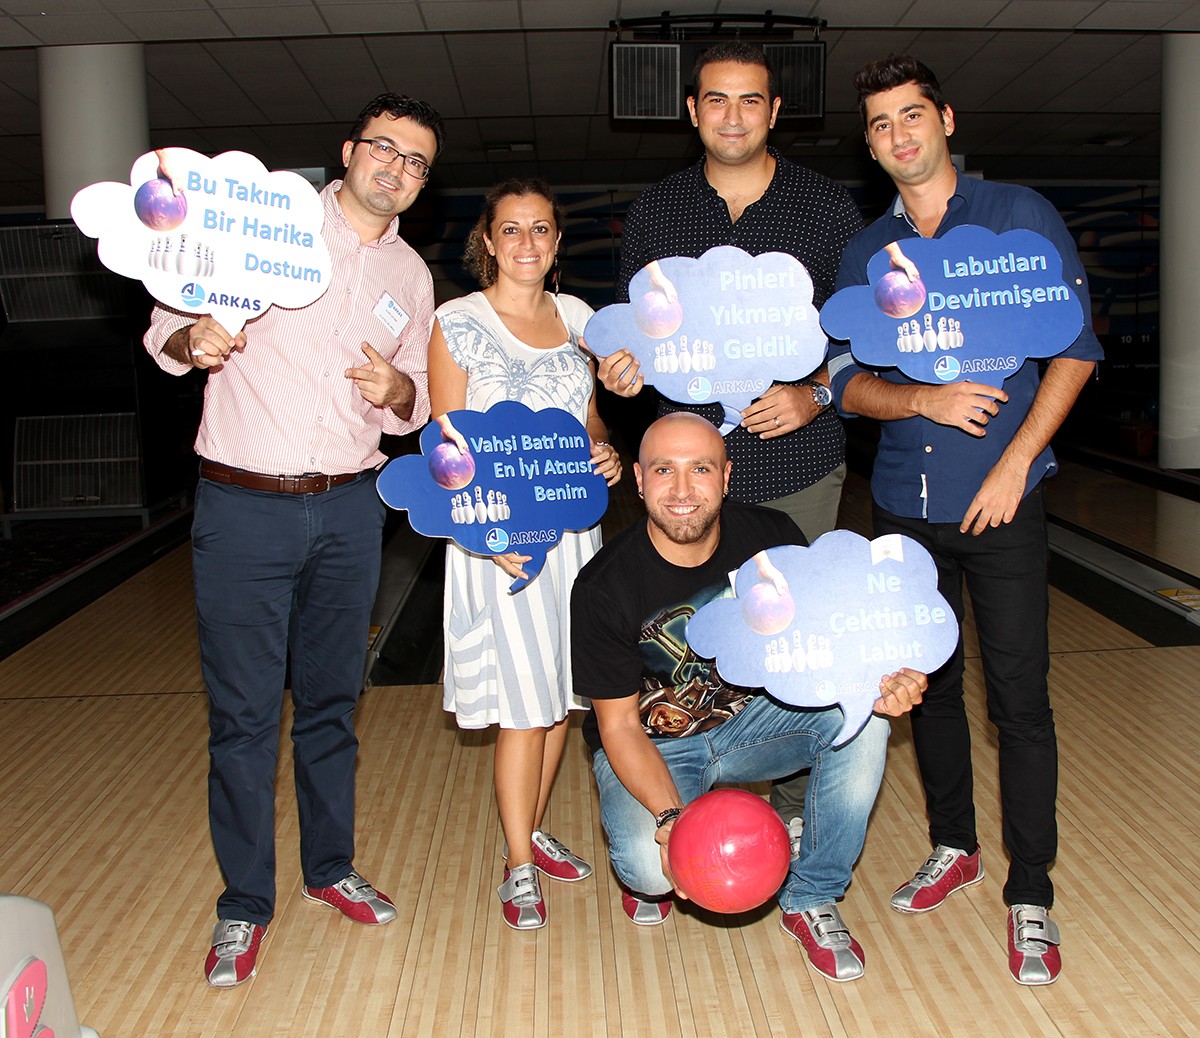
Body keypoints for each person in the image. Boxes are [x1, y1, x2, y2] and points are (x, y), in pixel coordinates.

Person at [143, 92, 444, 987]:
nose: (396, 168)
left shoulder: (411, 276)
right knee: (243, 717)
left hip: (350, 510)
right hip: (244, 506)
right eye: (384, 148)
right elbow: (163, 330)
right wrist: (194, 338)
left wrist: (400, 392)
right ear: (348, 150)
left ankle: (329, 868)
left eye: (416, 161)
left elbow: (416, 405)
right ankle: (244, 902)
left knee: (330, 706)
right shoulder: (259, 226)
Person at [828, 55, 1104, 986]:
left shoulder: (1017, 216)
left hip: (1002, 504)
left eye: (911, 115)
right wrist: (921, 400)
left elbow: (1076, 350)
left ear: (944, 120)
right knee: (928, 690)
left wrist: (1017, 463)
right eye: (880, 124)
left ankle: (1031, 892)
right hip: (903, 506)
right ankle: (955, 845)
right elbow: (842, 381)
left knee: (1018, 701)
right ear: (870, 145)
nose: (898, 135)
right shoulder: (868, 251)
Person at [596, 41, 865, 836]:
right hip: (687, 478)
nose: (734, 116)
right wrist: (622, 375)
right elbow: (636, 338)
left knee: (793, 640)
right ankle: (702, 799)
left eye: (751, 100)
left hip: (796, 464)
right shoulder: (658, 210)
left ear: (775, 112)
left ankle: (791, 805)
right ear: (693, 111)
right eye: (717, 99)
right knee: (696, 648)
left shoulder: (825, 207)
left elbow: (863, 336)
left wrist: (817, 394)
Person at [570, 411, 927, 982]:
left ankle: (811, 894)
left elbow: (828, 646)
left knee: (864, 718)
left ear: (727, 476)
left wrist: (880, 682)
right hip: (654, 744)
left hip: (752, 725)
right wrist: (672, 820)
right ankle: (662, 843)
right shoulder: (602, 586)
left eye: (700, 469)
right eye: (663, 470)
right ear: (637, 480)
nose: (682, 490)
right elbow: (618, 727)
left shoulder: (772, 539)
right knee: (651, 871)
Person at [428, 178, 622, 930]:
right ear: (488, 239)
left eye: (540, 228)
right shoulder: (457, 322)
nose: (527, 243)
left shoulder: (579, 320)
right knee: (521, 706)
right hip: (499, 539)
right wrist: (490, 539)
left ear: (557, 241)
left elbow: (591, 418)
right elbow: (447, 449)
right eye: (511, 229)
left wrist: (604, 452)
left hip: (572, 533)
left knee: (559, 699)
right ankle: (517, 868)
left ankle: (532, 831)